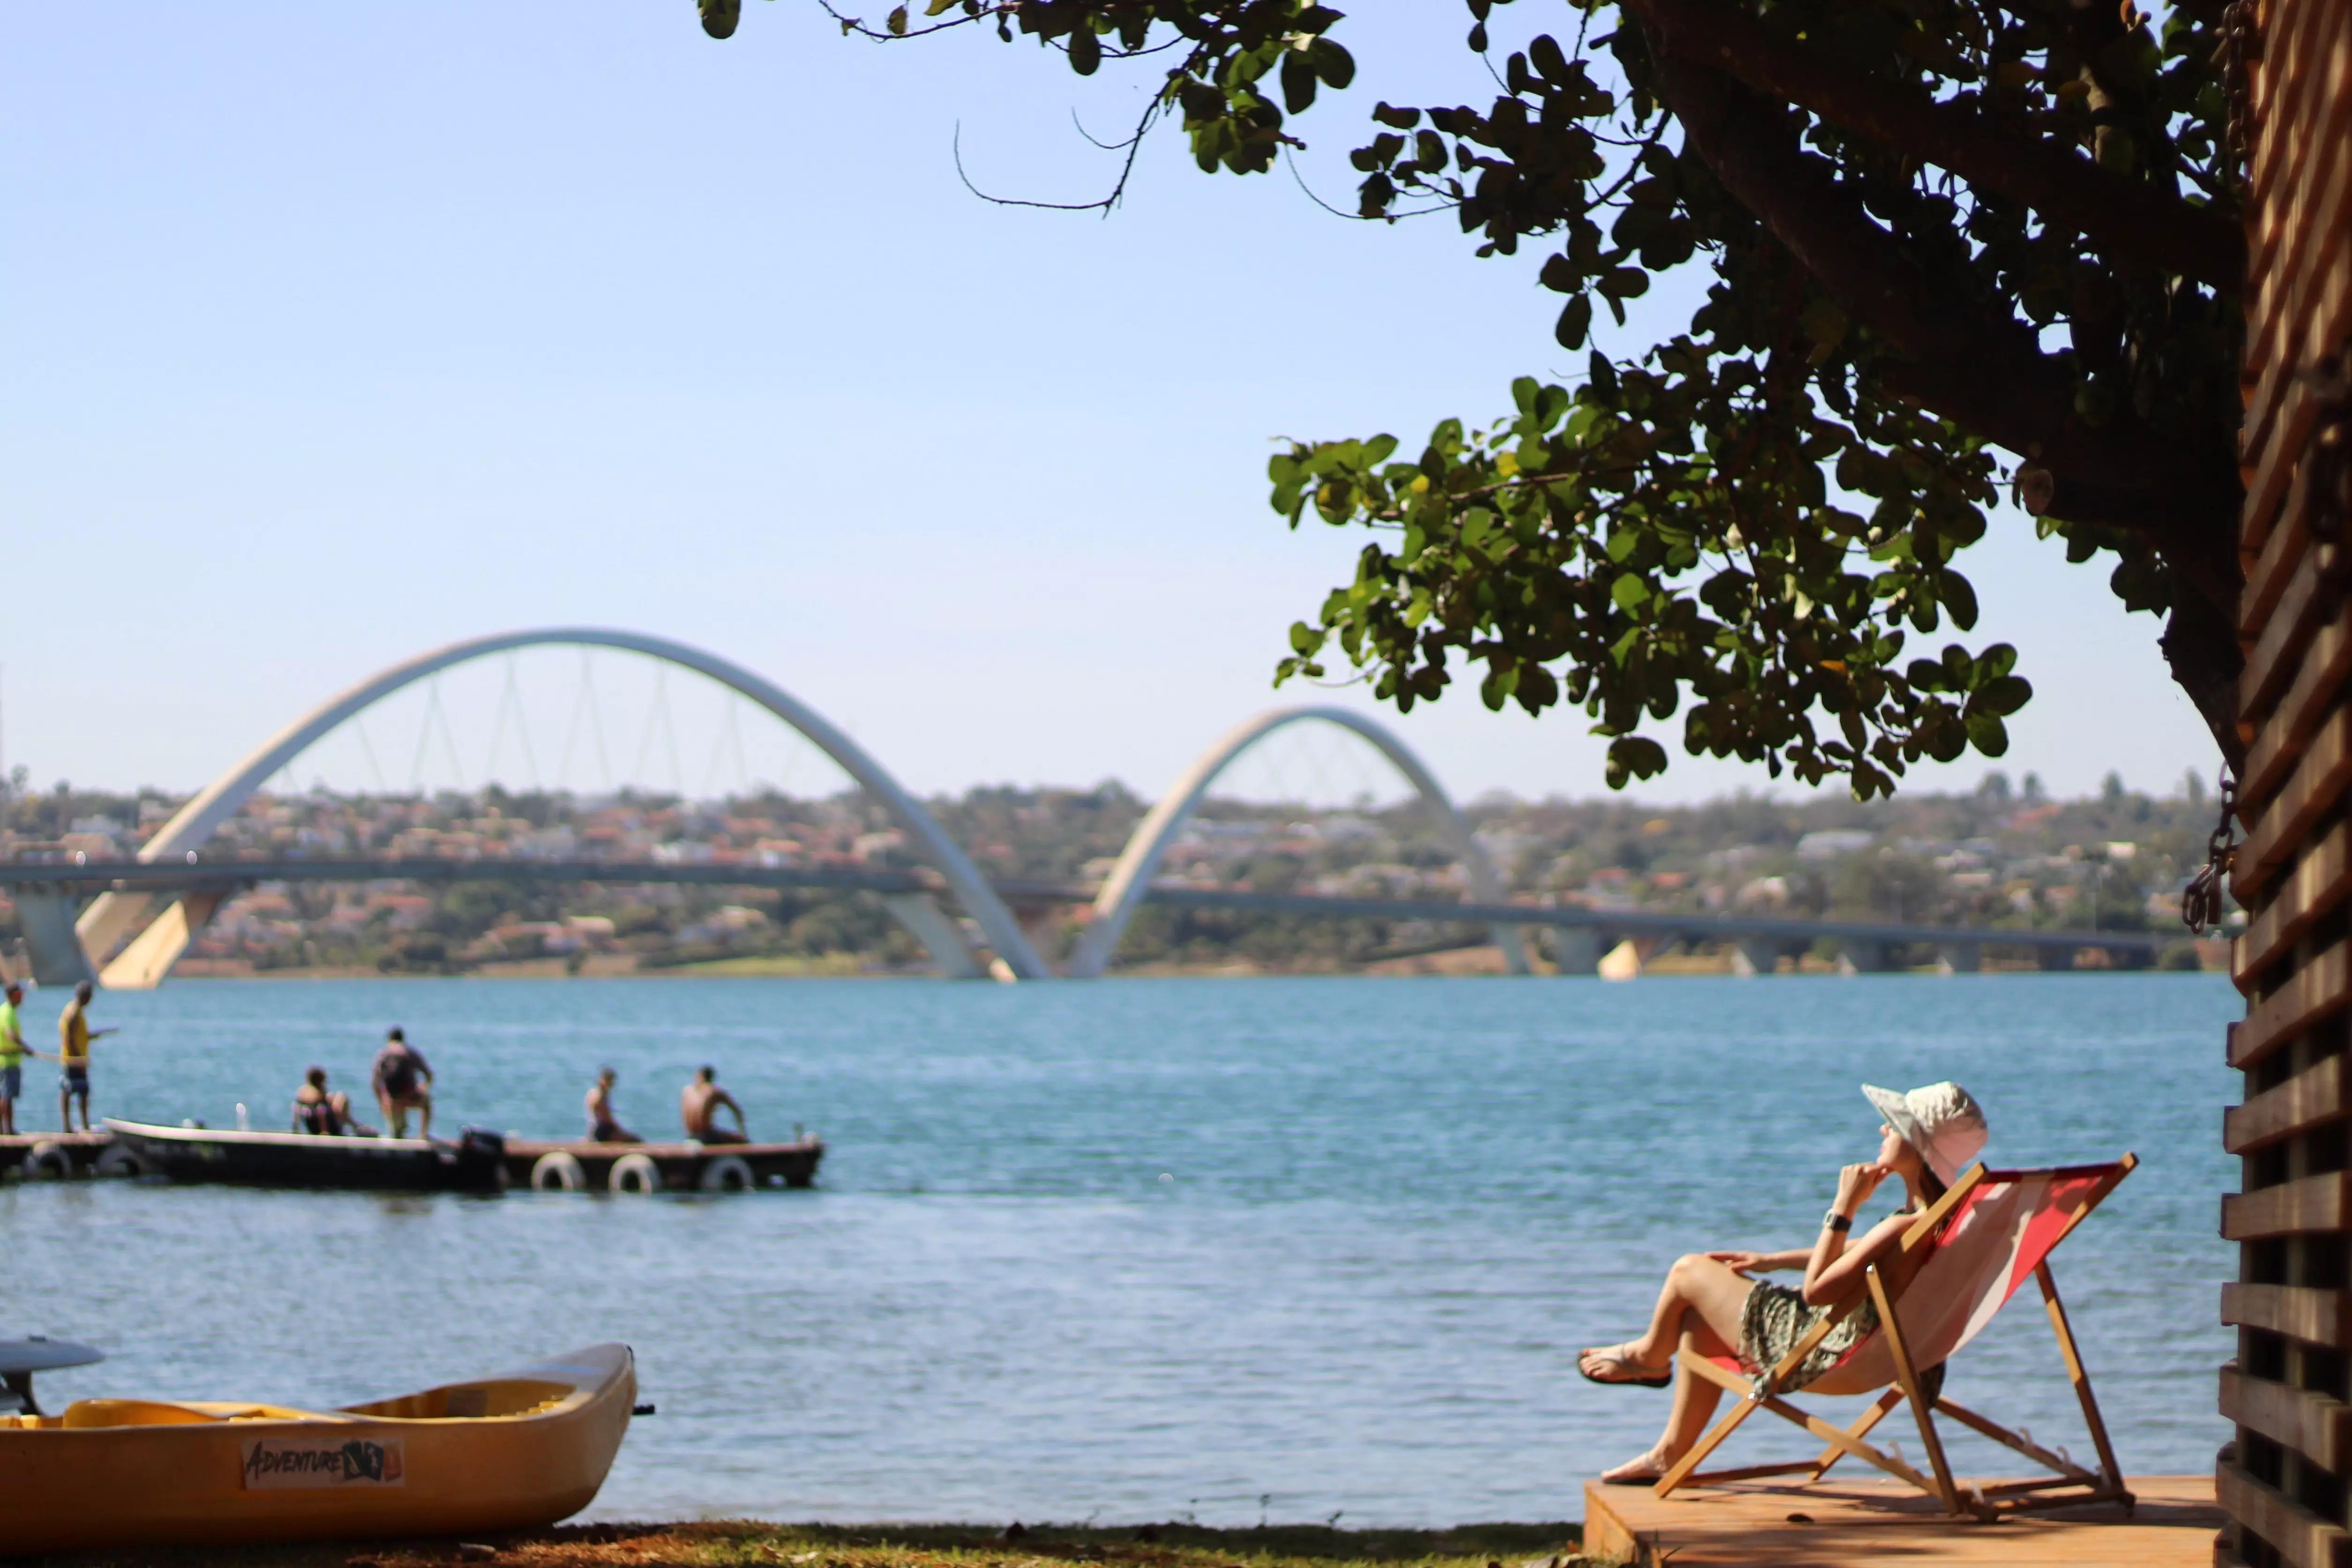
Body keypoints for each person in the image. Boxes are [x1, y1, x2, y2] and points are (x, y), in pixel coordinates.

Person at [1574, 1081, 1989, 1485]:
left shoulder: (1904, 1226)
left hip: (1827, 1355)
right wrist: (1772, 1261)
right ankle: (1670, 1453)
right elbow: (1860, 1253)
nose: (1883, 1129)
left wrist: (1843, 1207)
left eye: (1894, 1124)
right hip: (1890, 1359)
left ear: (1918, 1147)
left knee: (1688, 1269)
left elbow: (1817, 1292)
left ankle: (1648, 1356)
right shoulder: (1941, 1219)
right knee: (1699, 1323)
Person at [55, 981, 115, 1134]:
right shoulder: (74, 1012)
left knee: (72, 1091)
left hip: (73, 1059)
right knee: (79, 1091)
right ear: (85, 996)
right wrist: (78, 1059)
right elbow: (69, 1037)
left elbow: (78, 1036)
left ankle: (74, 1126)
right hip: (74, 1060)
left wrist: (94, 1035)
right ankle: (81, 1126)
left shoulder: (74, 1010)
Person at [370, 1027, 433, 1139]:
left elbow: (375, 1083)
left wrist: (382, 1101)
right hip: (410, 1096)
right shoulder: (410, 1053)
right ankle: (423, 1135)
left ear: (389, 1040)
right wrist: (424, 1087)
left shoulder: (383, 1054)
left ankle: (397, 1135)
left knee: (396, 1132)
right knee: (426, 1102)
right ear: (403, 1039)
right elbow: (429, 1075)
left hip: (392, 1100)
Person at [293, 1066, 375, 1137]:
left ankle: (355, 1126)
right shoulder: (319, 1099)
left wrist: (295, 1129)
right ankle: (355, 1127)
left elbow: (297, 1108)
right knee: (342, 1096)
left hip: (313, 1127)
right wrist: (324, 1131)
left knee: (335, 1097)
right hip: (329, 1128)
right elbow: (322, 1110)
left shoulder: (303, 1093)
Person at [681, 1065, 749, 1144]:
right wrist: (743, 1133)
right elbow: (737, 1111)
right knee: (741, 1140)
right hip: (706, 1137)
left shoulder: (687, 1090)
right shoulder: (714, 1091)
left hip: (690, 1136)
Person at [586, 1067, 640, 1144]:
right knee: (635, 1140)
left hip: (594, 1130)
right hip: (602, 1131)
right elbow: (607, 1119)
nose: (612, 1085)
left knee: (632, 1139)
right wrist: (620, 1131)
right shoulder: (600, 1096)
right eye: (610, 1081)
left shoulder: (592, 1092)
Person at [0, 981, 25, 1136]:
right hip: (8, 1062)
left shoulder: (5, 1010)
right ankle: (5, 1130)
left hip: (7, 1061)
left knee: (7, 1097)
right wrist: (25, 1047)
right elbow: (11, 1034)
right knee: (6, 1096)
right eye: (19, 995)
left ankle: (7, 1129)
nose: (22, 998)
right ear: (13, 996)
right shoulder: (8, 1012)